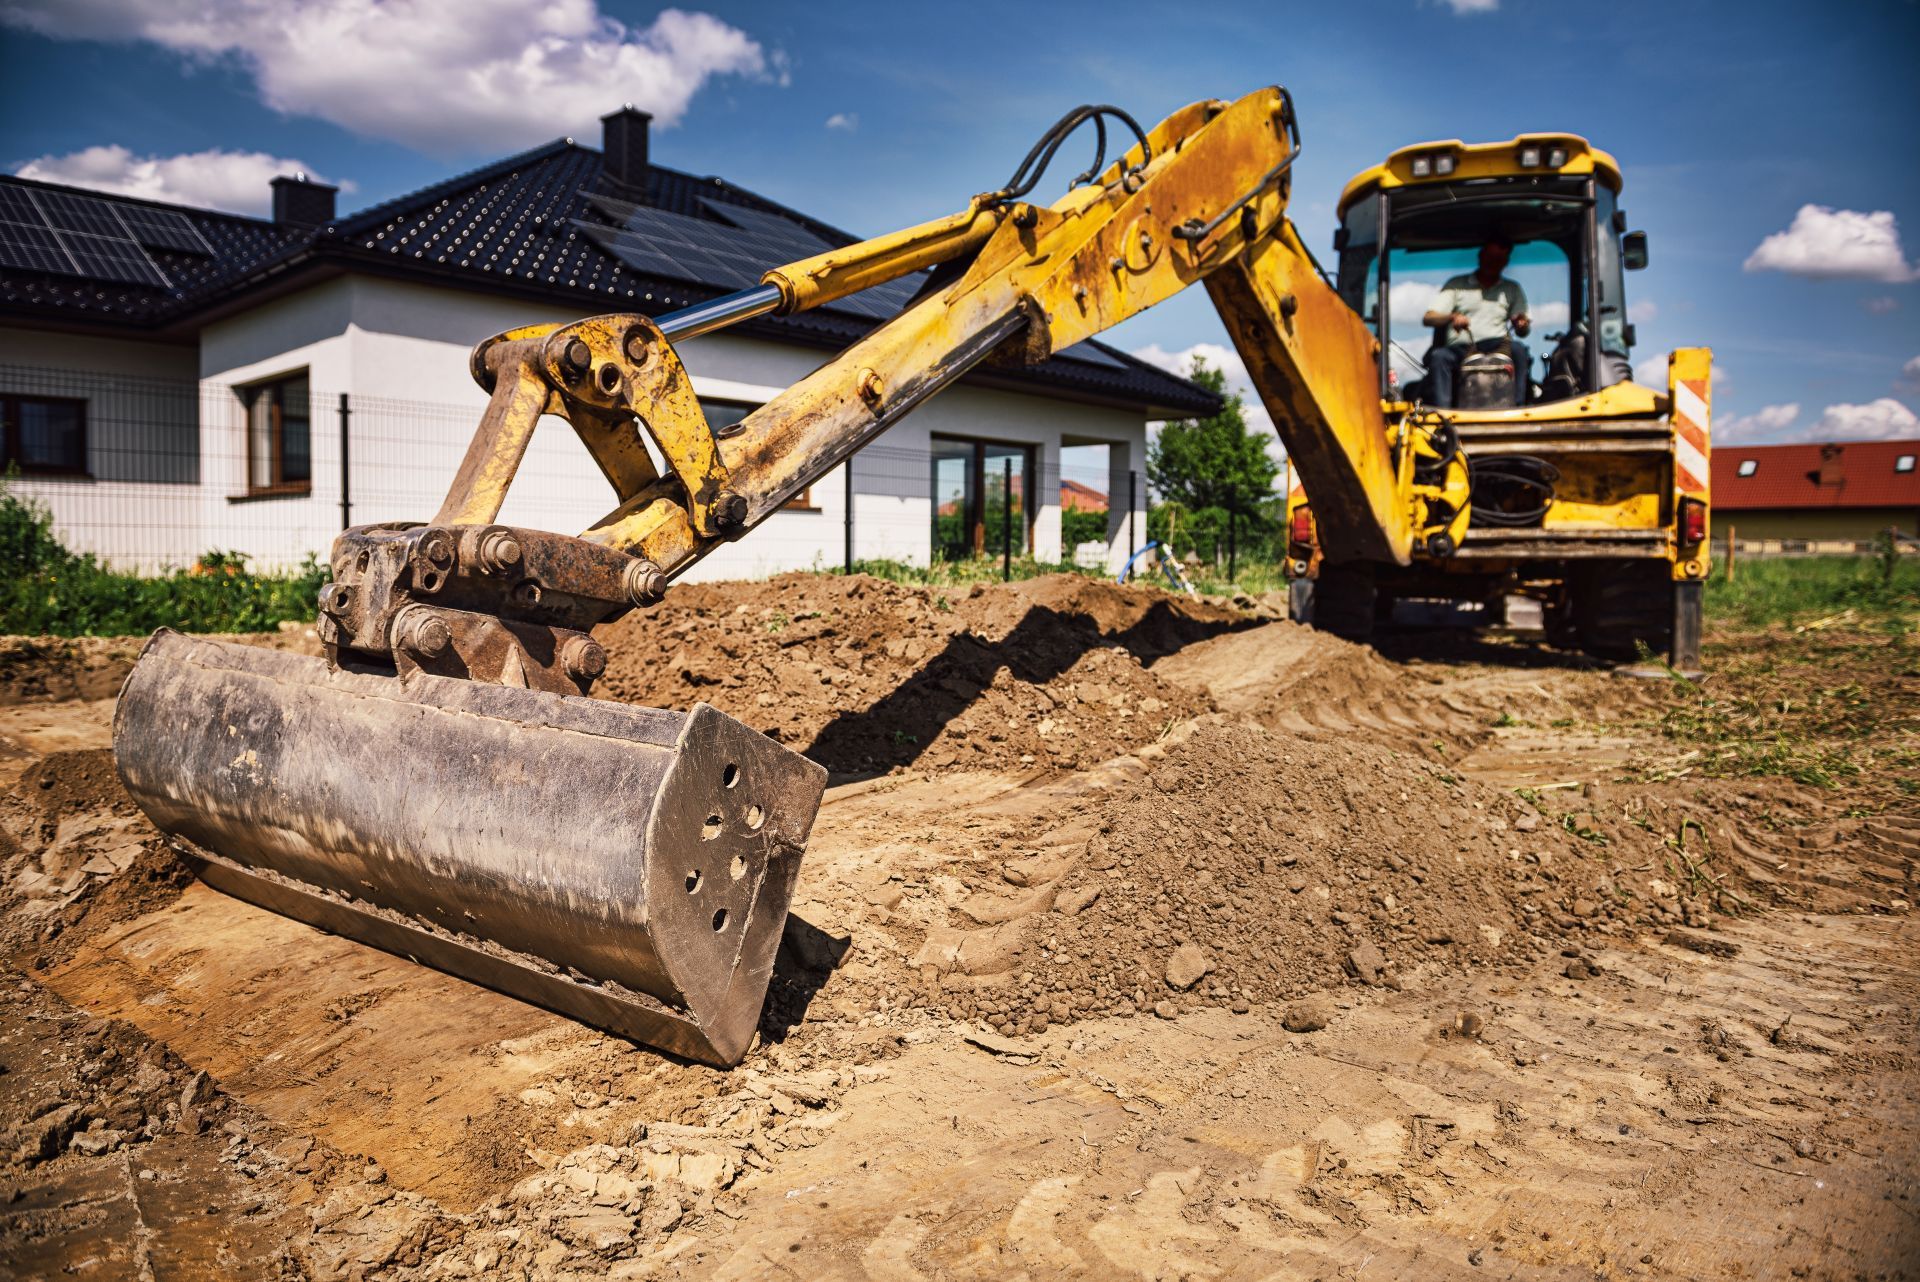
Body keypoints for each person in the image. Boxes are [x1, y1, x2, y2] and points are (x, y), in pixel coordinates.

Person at [1421, 239, 1531, 407]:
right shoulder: (1456, 285)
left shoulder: (1512, 288)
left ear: (1506, 262)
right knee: (1439, 357)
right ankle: (1443, 413)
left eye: (1499, 259)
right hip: (1461, 348)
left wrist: (1521, 324)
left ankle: (1519, 407)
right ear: (1481, 257)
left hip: (1499, 345)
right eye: (1490, 257)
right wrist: (1452, 317)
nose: (1494, 263)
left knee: (1519, 351)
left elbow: (1523, 329)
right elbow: (1429, 318)